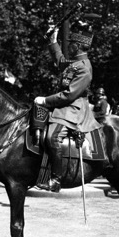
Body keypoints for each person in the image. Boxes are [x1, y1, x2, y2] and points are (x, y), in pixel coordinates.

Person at [34, 21, 101, 192]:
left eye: (71, 44)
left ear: (78, 46)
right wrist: (53, 40)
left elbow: (70, 95)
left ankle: (56, 179)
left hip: (73, 109)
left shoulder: (84, 69)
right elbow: (59, 61)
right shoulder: (74, 63)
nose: (69, 47)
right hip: (63, 106)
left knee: (52, 137)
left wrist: (45, 101)